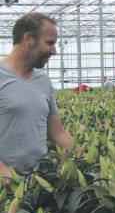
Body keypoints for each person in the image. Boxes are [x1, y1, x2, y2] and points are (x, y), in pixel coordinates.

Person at [0, 12, 74, 179]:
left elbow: (58, 133)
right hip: (5, 185)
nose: (54, 51)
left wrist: (89, 159)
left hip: (39, 181)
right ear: (28, 39)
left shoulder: (43, 80)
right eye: (49, 43)